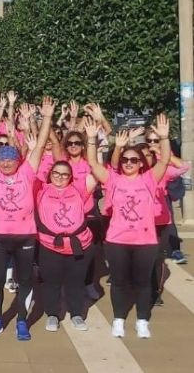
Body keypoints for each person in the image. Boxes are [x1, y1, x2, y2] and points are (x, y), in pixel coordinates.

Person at [86, 114, 172, 339]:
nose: (129, 163)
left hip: (145, 242)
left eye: (134, 160)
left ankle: (142, 320)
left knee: (143, 283)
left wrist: (164, 138)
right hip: (117, 241)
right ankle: (119, 319)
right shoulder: (113, 179)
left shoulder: (149, 179)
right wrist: (92, 139)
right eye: (125, 160)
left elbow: (164, 161)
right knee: (119, 283)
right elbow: (93, 163)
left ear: (140, 163)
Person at [0, 96, 54, 341]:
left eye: (10, 159)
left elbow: (40, 145)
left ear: (18, 160)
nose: (6, 163)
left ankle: (22, 320)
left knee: (25, 279)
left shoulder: (26, 172)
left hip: (25, 236)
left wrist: (46, 118)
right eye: (3, 159)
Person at [35, 160, 94, 332]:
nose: (59, 177)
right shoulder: (41, 190)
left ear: (70, 177)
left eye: (64, 174)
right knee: (51, 282)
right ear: (50, 174)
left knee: (76, 281)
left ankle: (76, 313)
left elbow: (95, 174)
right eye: (56, 173)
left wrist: (92, 146)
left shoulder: (78, 189)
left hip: (79, 244)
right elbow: (30, 170)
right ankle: (53, 314)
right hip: (50, 245)